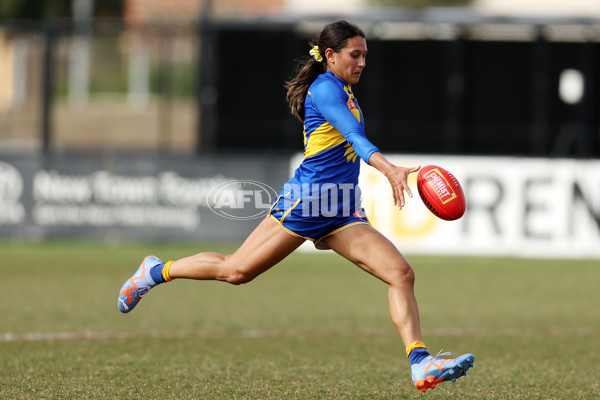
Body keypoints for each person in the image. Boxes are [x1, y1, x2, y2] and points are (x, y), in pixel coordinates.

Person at [117, 20, 474, 392]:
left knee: (401, 274)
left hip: (340, 210)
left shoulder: (346, 91)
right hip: (305, 204)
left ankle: (420, 362)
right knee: (236, 271)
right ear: (331, 56)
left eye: (365, 55)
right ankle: (156, 271)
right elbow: (355, 137)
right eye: (355, 55)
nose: (363, 62)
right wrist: (390, 170)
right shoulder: (325, 91)